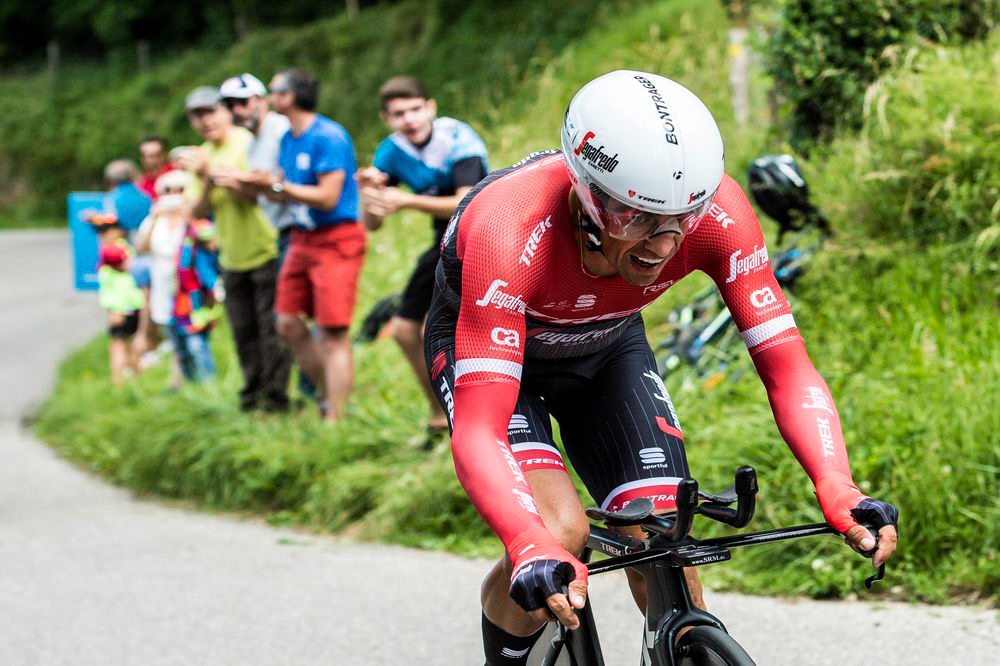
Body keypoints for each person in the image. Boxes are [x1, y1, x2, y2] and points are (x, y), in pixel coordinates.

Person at [421, 70, 900, 665]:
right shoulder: (508, 229)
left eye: (684, 216)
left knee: (662, 536)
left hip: (606, 345)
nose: (665, 243)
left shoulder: (719, 215)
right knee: (559, 534)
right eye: (638, 218)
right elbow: (480, 428)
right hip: (494, 357)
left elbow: (787, 368)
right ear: (589, 192)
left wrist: (837, 485)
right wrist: (527, 544)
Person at [358, 76, 488, 436]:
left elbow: (465, 202)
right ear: (387, 119)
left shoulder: (459, 139)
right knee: (402, 331)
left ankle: (477, 414)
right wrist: (370, 193)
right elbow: (374, 224)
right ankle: (440, 411)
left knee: (443, 323)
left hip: (477, 232)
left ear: (430, 107)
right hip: (441, 239)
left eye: (415, 109)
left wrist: (407, 201)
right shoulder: (390, 150)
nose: (410, 120)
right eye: (399, 114)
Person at [250, 67, 365, 423]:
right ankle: (328, 394)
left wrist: (278, 188)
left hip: (335, 240)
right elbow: (285, 186)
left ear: (290, 96)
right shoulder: (288, 138)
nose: (270, 98)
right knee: (286, 323)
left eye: (274, 91)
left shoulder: (329, 136)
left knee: (333, 333)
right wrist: (261, 184)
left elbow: (328, 197)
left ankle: (336, 418)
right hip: (301, 238)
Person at [177, 85, 291, 411]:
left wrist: (210, 174)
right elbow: (195, 212)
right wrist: (207, 179)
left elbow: (260, 194)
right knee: (243, 331)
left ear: (226, 111)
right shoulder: (201, 155)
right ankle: (252, 394)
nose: (205, 121)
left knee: (271, 330)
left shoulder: (247, 143)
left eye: (210, 112)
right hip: (230, 255)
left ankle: (276, 398)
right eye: (197, 115)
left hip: (265, 246)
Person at [220, 72, 318, 402]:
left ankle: (315, 391)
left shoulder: (279, 129)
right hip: (281, 231)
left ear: (261, 100)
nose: (238, 110)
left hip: (303, 228)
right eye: (231, 105)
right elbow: (261, 190)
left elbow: (282, 178)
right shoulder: (252, 142)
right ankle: (304, 392)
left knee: (297, 317)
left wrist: (242, 178)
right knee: (288, 319)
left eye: (244, 101)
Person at [135, 170, 192, 389]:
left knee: (192, 339)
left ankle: (194, 380)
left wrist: (187, 214)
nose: (174, 194)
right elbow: (141, 247)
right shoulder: (154, 219)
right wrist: (155, 216)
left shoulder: (192, 217)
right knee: (173, 337)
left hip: (187, 285)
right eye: (168, 190)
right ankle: (177, 381)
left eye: (180, 189)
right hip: (162, 284)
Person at [91, 215, 144, 385]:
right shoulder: (126, 249)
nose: (102, 235)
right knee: (130, 345)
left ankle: (118, 384)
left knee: (118, 346)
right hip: (132, 305)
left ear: (118, 231)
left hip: (120, 307)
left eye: (106, 230)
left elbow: (123, 284)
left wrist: (117, 310)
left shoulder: (114, 252)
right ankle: (137, 381)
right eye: (100, 231)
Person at [170, 218, 224, 382]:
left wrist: (216, 289)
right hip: (185, 305)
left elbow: (208, 276)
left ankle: (207, 382)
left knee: (197, 346)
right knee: (185, 347)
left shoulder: (204, 256)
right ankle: (194, 381)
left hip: (199, 307)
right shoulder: (191, 252)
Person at [137, 136, 176, 200]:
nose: (150, 160)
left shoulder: (177, 174)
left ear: (165, 155)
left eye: (156, 155)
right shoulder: (140, 183)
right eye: (145, 155)